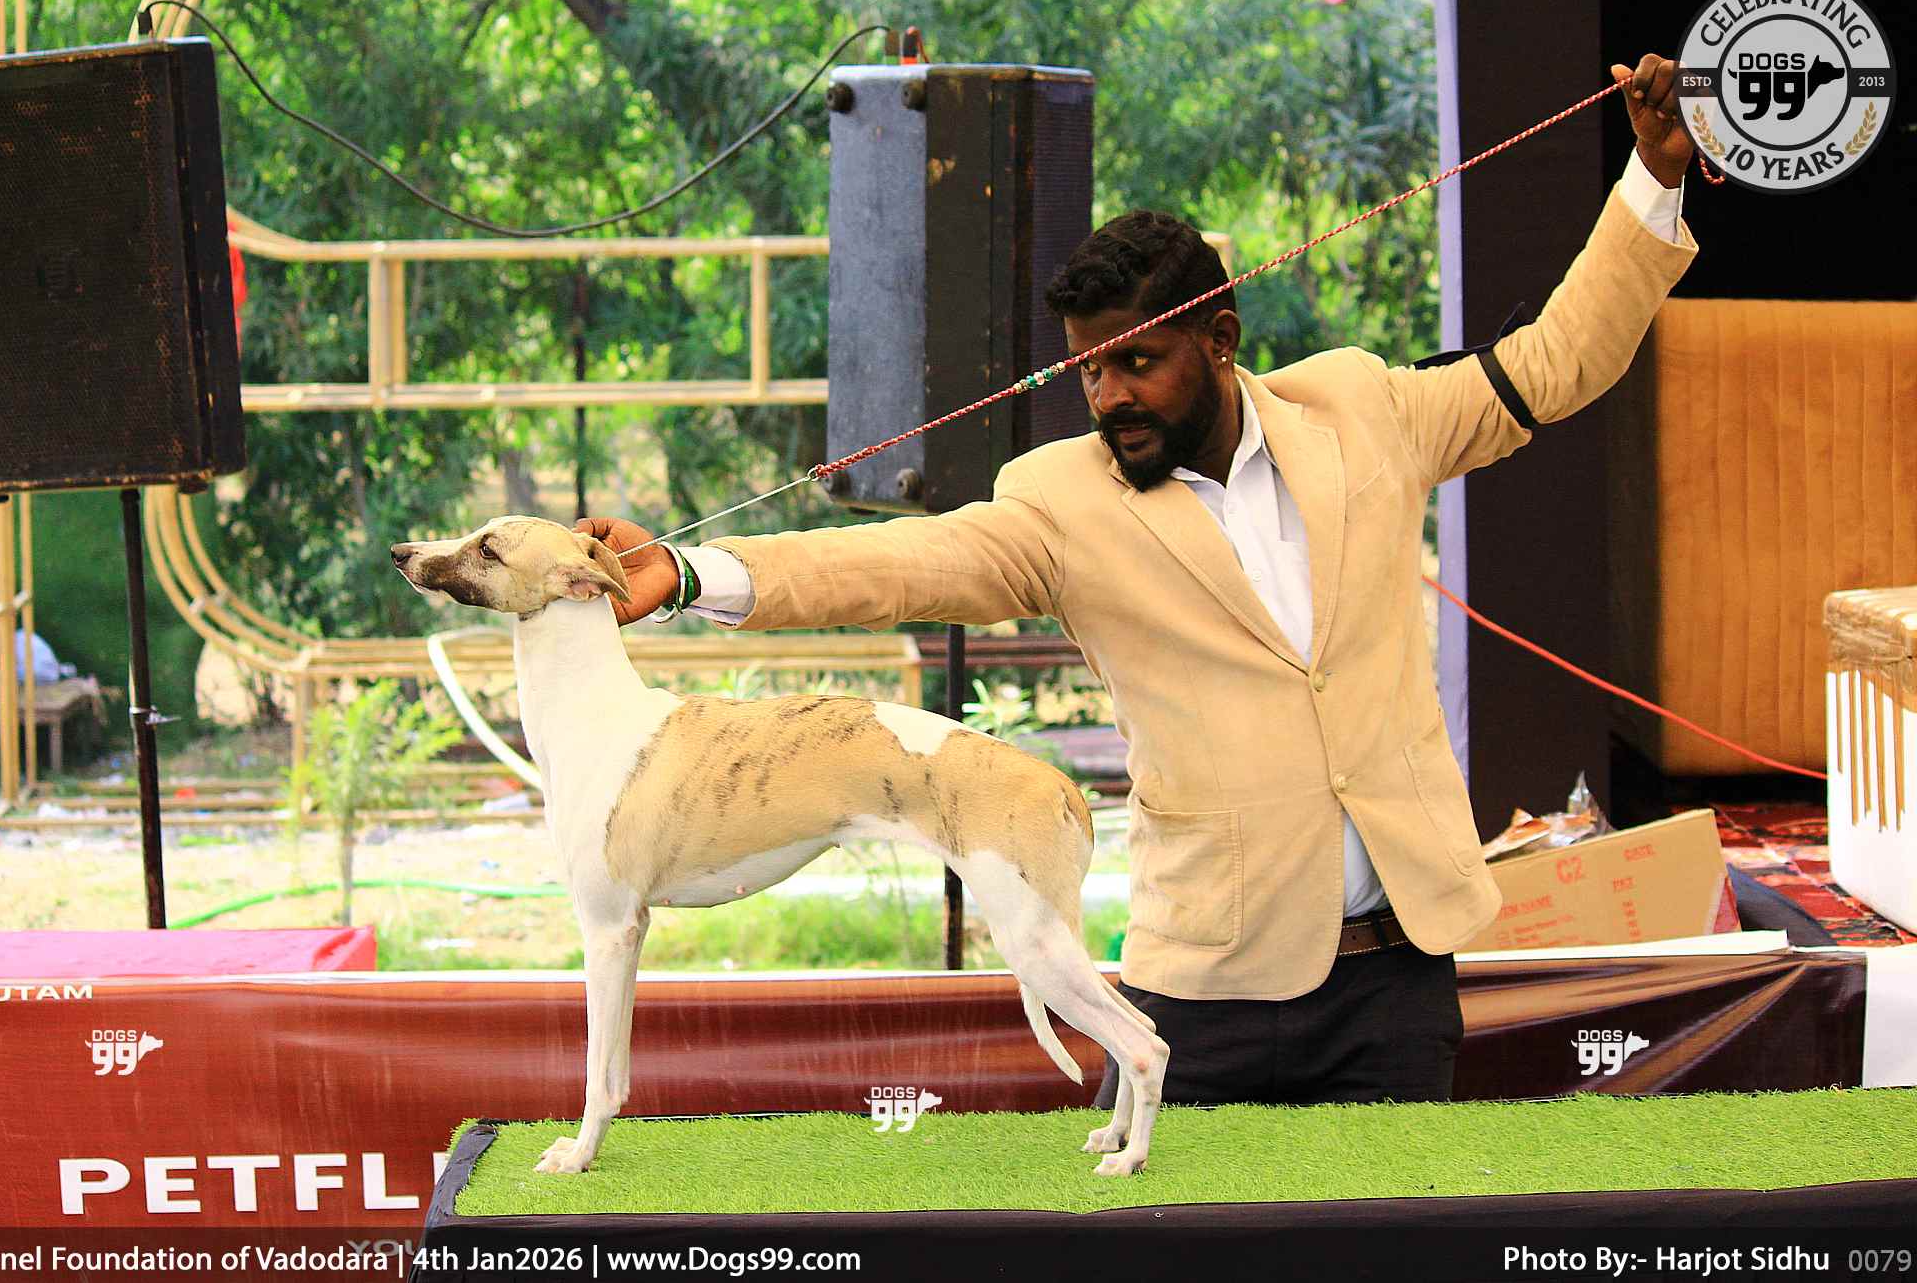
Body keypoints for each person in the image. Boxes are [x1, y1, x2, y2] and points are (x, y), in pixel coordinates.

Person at [576, 55, 1697, 1105]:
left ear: (1220, 338)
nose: (1108, 394)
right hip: (1200, 991)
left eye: (1136, 361)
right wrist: (689, 570)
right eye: (1087, 369)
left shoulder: (1361, 409)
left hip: (1397, 986)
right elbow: (898, 564)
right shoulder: (1058, 499)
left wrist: (1652, 175)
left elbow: (1556, 361)